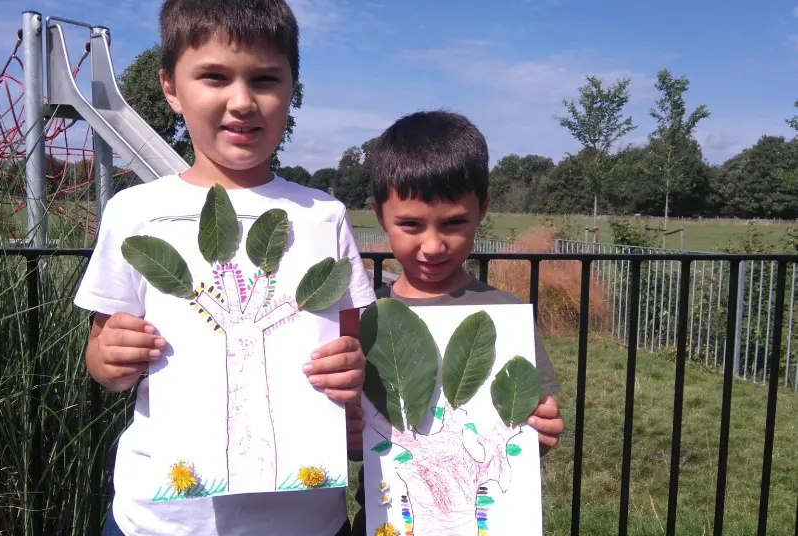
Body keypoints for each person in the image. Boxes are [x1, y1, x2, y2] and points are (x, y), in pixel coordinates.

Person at [72, 1, 377, 535]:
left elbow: (350, 355)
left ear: (290, 88)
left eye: (264, 79)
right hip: (161, 520)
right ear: (171, 87)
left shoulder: (322, 216)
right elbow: (102, 363)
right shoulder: (136, 212)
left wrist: (351, 373)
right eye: (213, 76)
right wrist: (111, 357)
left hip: (302, 520)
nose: (242, 102)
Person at [351, 110, 565, 533]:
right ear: (379, 213)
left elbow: (521, 428)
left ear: (482, 209)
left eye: (454, 223)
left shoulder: (506, 316)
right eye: (410, 224)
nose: (433, 245)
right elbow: (351, 438)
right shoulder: (363, 319)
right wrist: (344, 437)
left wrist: (539, 432)